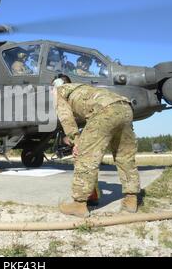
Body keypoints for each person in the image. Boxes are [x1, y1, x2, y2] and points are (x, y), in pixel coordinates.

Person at [52, 75, 140, 217]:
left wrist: (76, 140)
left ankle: (79, 204)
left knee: (86, 156)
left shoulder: (59, 91)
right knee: (125, 156)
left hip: (104, 111)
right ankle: (131, 199)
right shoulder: (82, 87)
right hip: (125, 107)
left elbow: (66, 118)